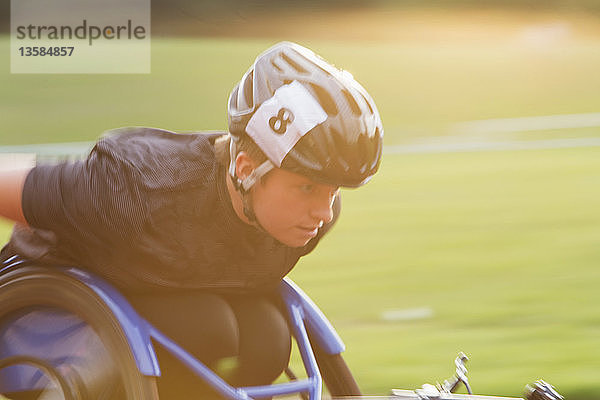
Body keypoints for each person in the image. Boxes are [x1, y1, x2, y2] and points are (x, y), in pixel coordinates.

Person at [0, 41, 383, 397]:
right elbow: (15, 183)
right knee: (205, 327)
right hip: (41, 324)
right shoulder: (135, 189)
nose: (323, 212)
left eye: (334, 191)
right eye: (307, 189)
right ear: (247, 169)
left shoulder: (307, 220)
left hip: (162, 295)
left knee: (269, 337)